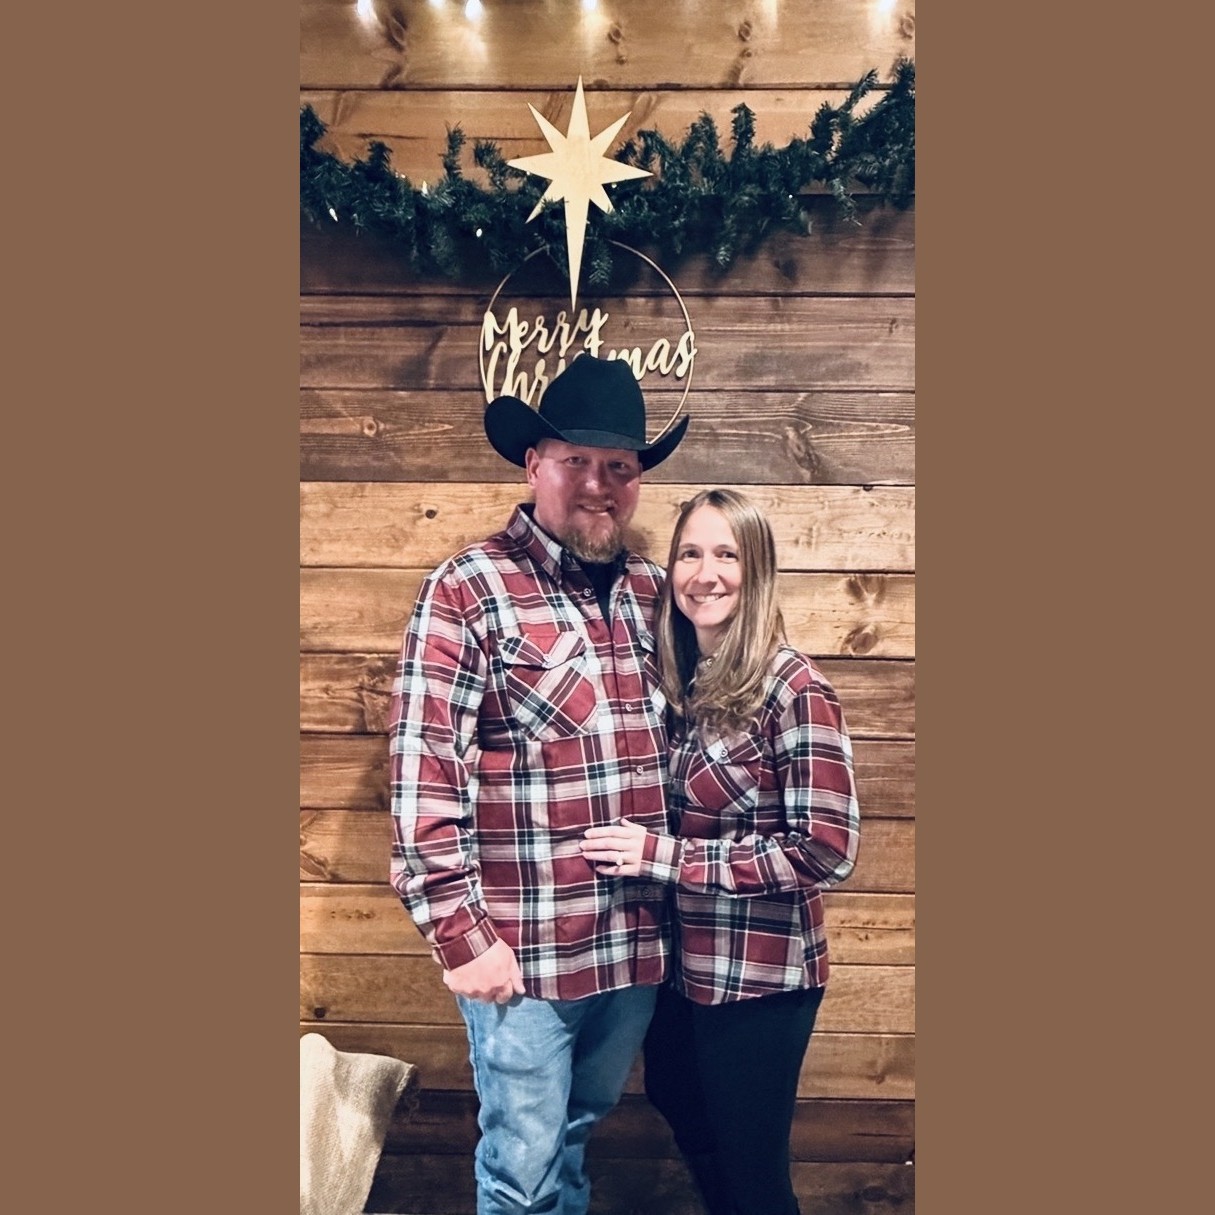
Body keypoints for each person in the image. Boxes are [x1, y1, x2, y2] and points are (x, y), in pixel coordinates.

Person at [388, 353, 691, 1215]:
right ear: (533, 464)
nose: (598, 484)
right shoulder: (467, 589)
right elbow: (422, 769)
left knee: (573, 1134)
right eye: (575, 461)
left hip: (632, 946)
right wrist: (460, 934)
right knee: (521, 1174)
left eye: (618, 466)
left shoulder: (654, 593)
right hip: (522, 954)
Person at [579, 487, 861, 1215]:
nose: (705, 573)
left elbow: (826, 849)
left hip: (761, 976)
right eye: (689, 553)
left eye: (727, 554)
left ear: (756, 570)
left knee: (752, 1172)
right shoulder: (687, 686)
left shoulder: (793, 687)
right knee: (685, 1113)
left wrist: (664, 857)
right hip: (684, 969)